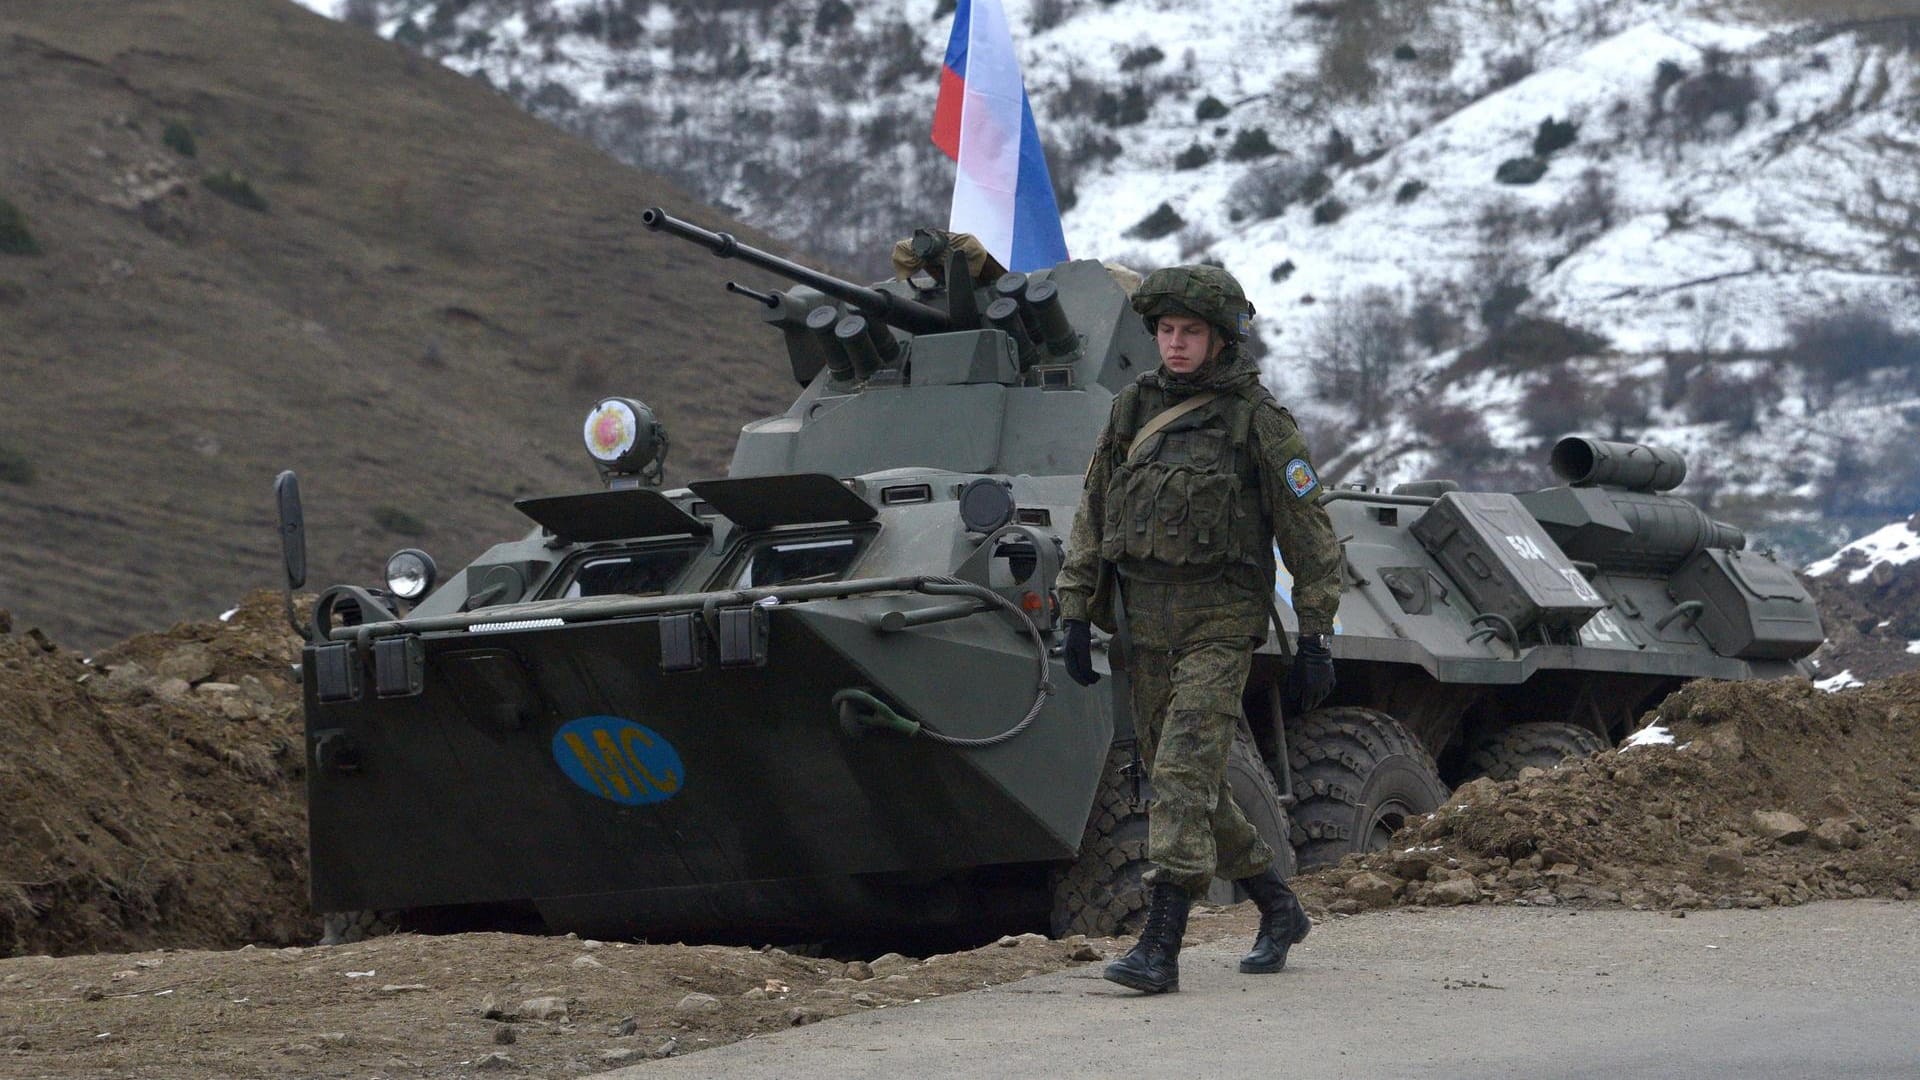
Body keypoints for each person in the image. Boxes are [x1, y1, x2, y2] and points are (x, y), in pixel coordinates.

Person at [1054, 264, 1343, 995]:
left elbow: (1309, 532)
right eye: (1166, 331)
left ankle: (1160, 945)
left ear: (1220, 339)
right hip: (1143, 626)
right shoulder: (1130, 411)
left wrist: (1316, 635)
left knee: (1181, 775)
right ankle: (1279, 908)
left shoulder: (1258, 421)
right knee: (1191, 785)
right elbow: (1093, 514)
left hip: (1219, 622)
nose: (1176, 344)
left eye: (1192, 332)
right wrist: (1076, 613)